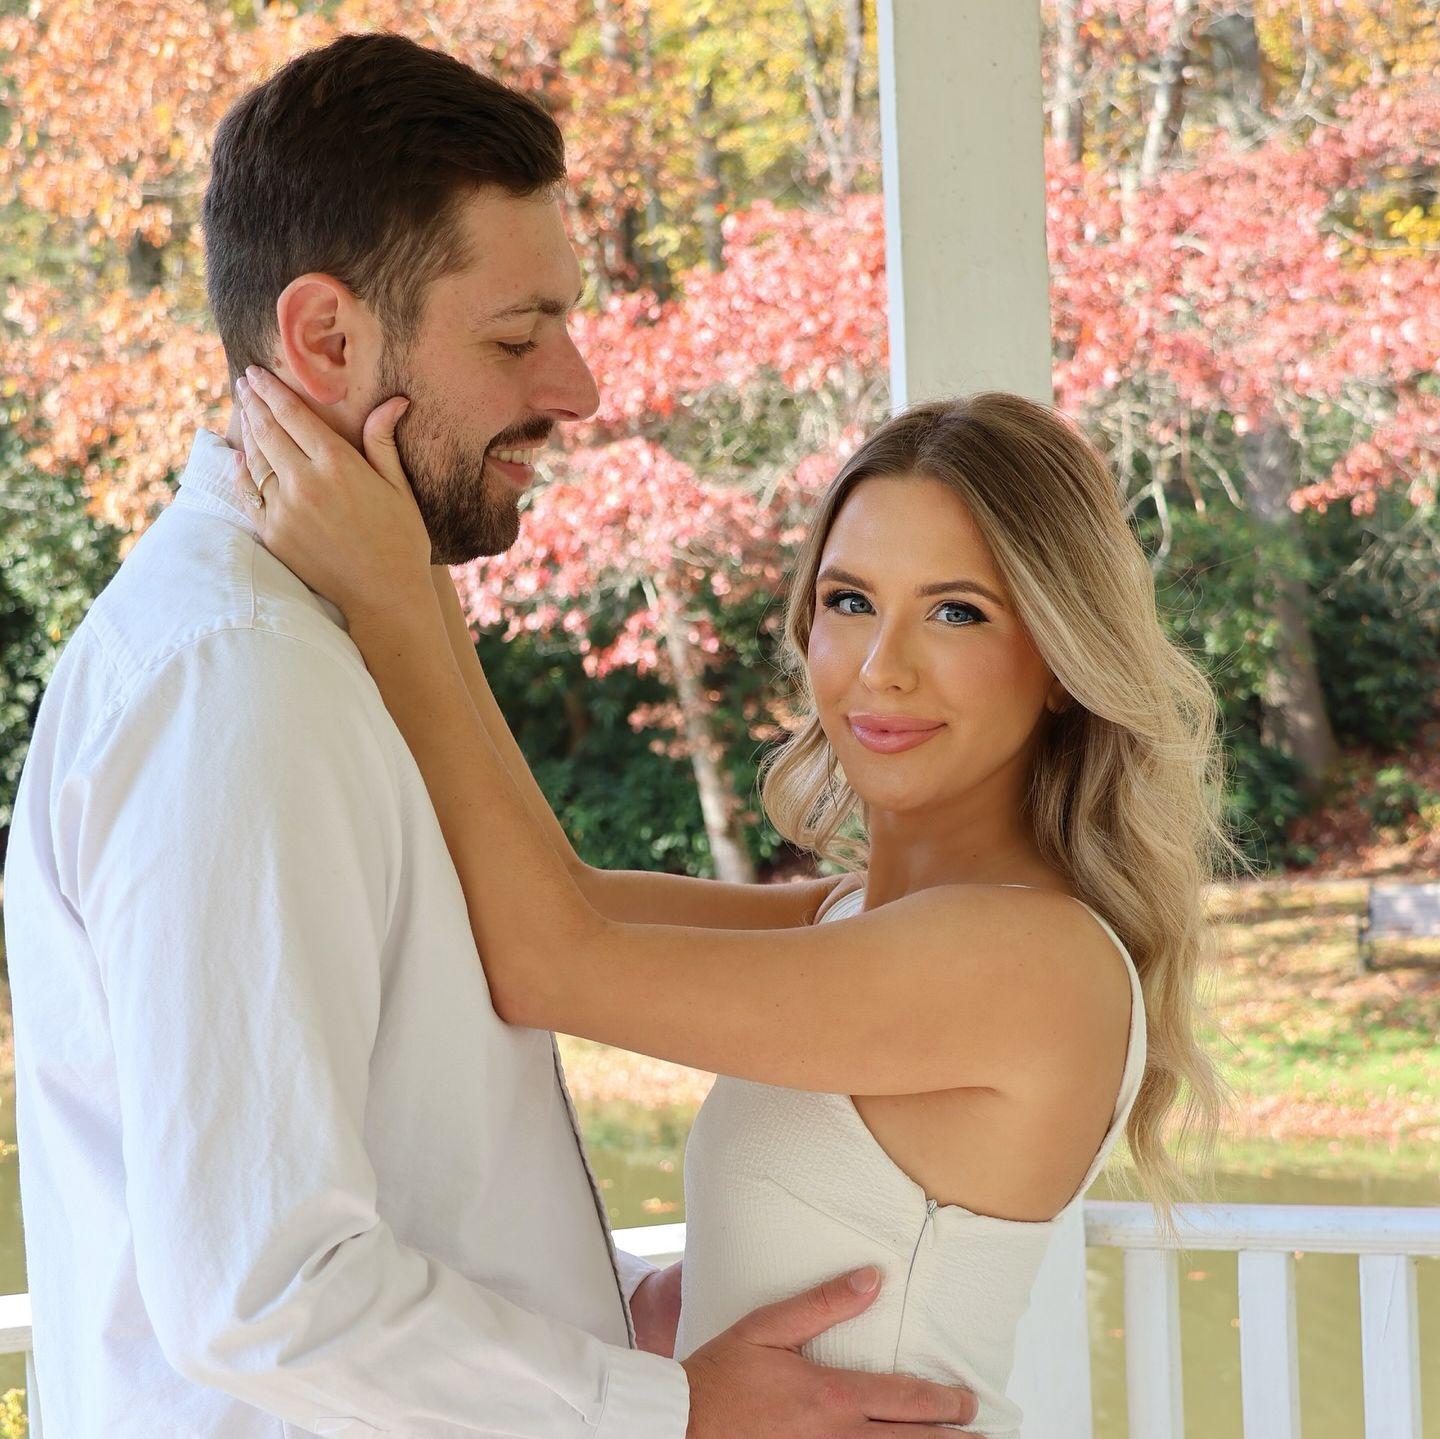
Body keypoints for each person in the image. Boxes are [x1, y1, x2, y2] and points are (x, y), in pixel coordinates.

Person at [1, 33, 982, 1439]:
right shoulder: (241, 679)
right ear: (326, 340)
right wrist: (666, 1406)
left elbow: (405, 1162)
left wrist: (606, 1309)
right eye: (518, 338)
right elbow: (263, 1286)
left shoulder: (323, 643)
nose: (578, 389)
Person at [233, 375, 1234, 1439]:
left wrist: (388, 593)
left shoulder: (1028, 959)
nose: (881, 667)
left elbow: (545, 961)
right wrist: (417, 550)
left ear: (1061, 661)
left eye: (957, 611)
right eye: (849, 600)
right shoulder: (852, 917)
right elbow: (567, 894)